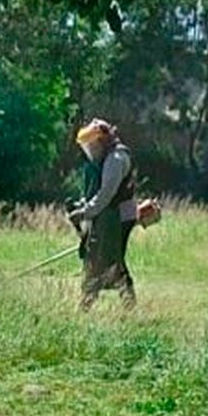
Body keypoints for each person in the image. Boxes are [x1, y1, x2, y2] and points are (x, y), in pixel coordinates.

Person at [67, 118, 139, 311]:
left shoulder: (116, 160)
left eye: (91, 146)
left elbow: (106, 194)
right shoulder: (108, 157)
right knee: (110, 259)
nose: (90, 151)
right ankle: (127, 302)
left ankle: (86, 304)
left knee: (100, 259)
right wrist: (82, 206)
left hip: (117, 217)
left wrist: (84, 213)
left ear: (101, 141)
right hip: (109, 214)